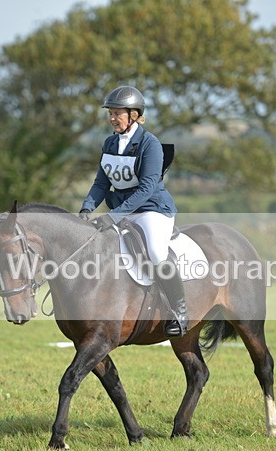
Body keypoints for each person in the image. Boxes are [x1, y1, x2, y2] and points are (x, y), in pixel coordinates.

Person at [79, 85, 188, 337]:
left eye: (118, 113)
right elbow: (101, 183)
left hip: (153, 210)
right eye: (111, 113)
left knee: (155, 252)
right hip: (122, 210)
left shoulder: (150, 144)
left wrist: (115, 215)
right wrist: (86, 208)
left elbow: (148, 187)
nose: (112, 118)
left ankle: (180, 311)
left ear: (135, 115)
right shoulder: (110, 143)